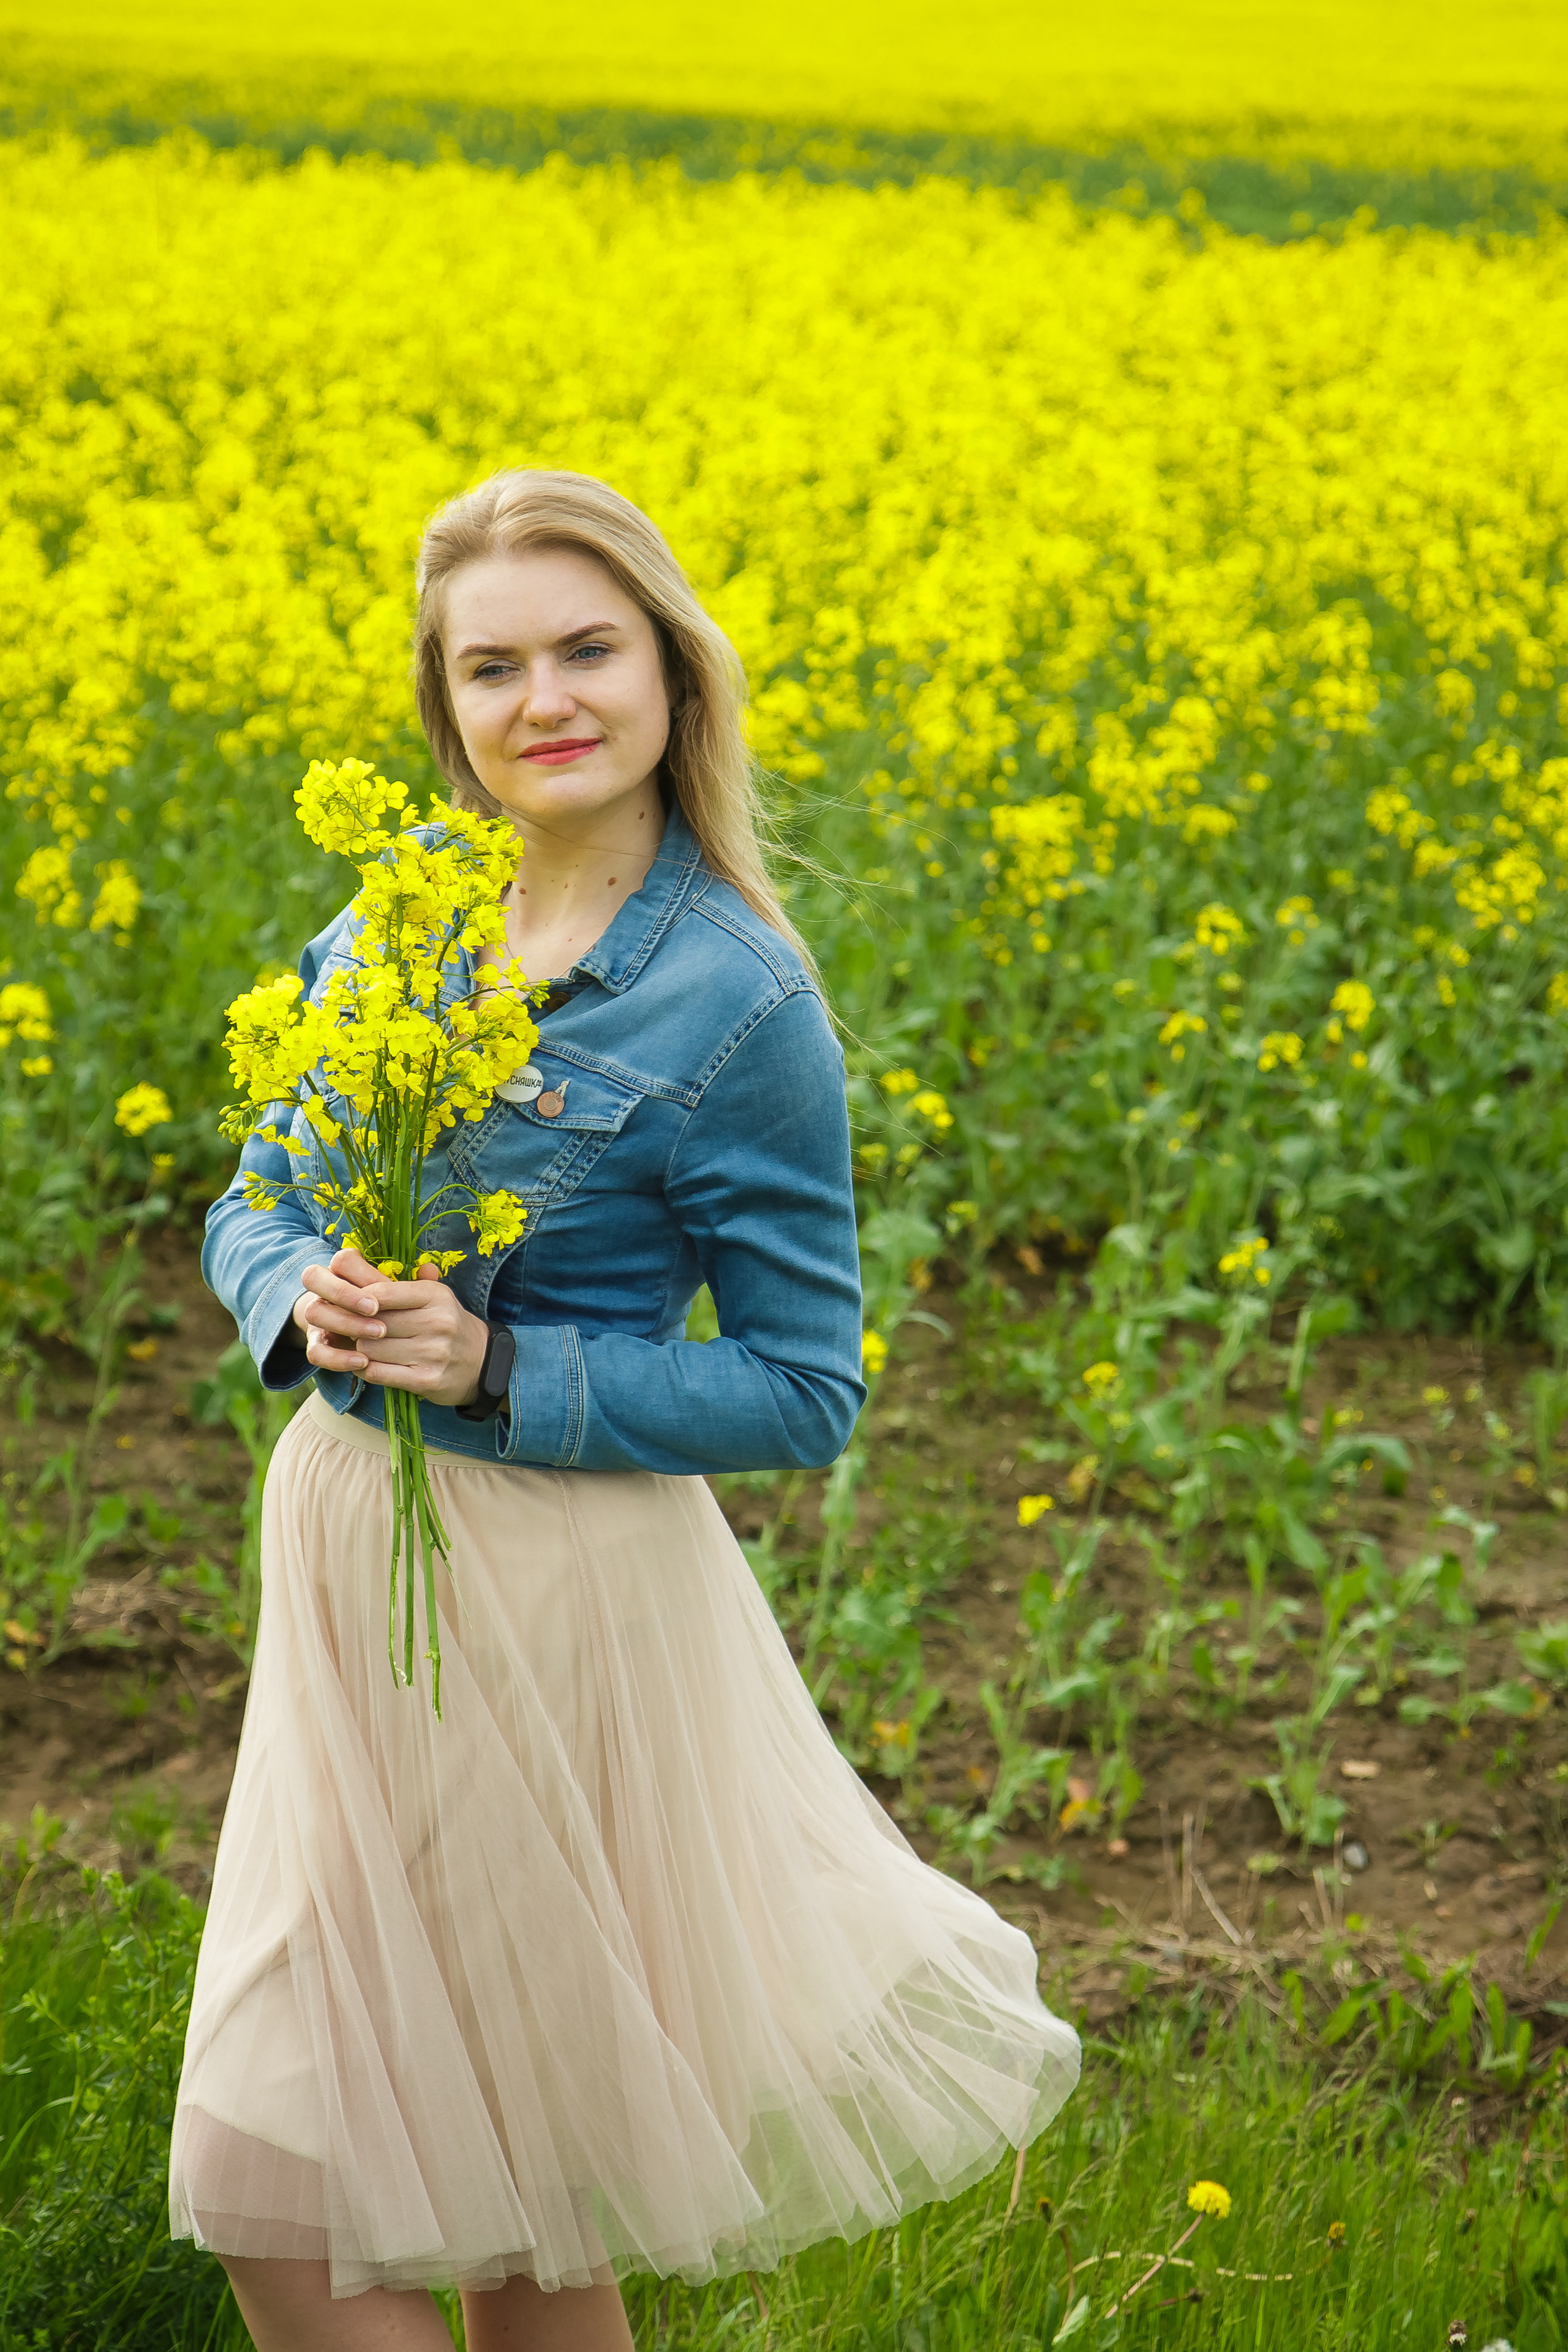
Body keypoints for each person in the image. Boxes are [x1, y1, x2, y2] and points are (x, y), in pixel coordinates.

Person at [170, 469, 1079, 2350]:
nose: (543, 701)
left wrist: (500, 1366)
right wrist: (304, 1297)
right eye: (490, 667)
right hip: (351, 1570)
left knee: (519, 2196)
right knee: (313, 2151)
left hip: (546, 1596)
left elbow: (805, 1385)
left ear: (673, 670)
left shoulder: (739, 1004)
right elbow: (252, 1195)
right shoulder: (398, 919)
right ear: (448, 710)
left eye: (588, 649)